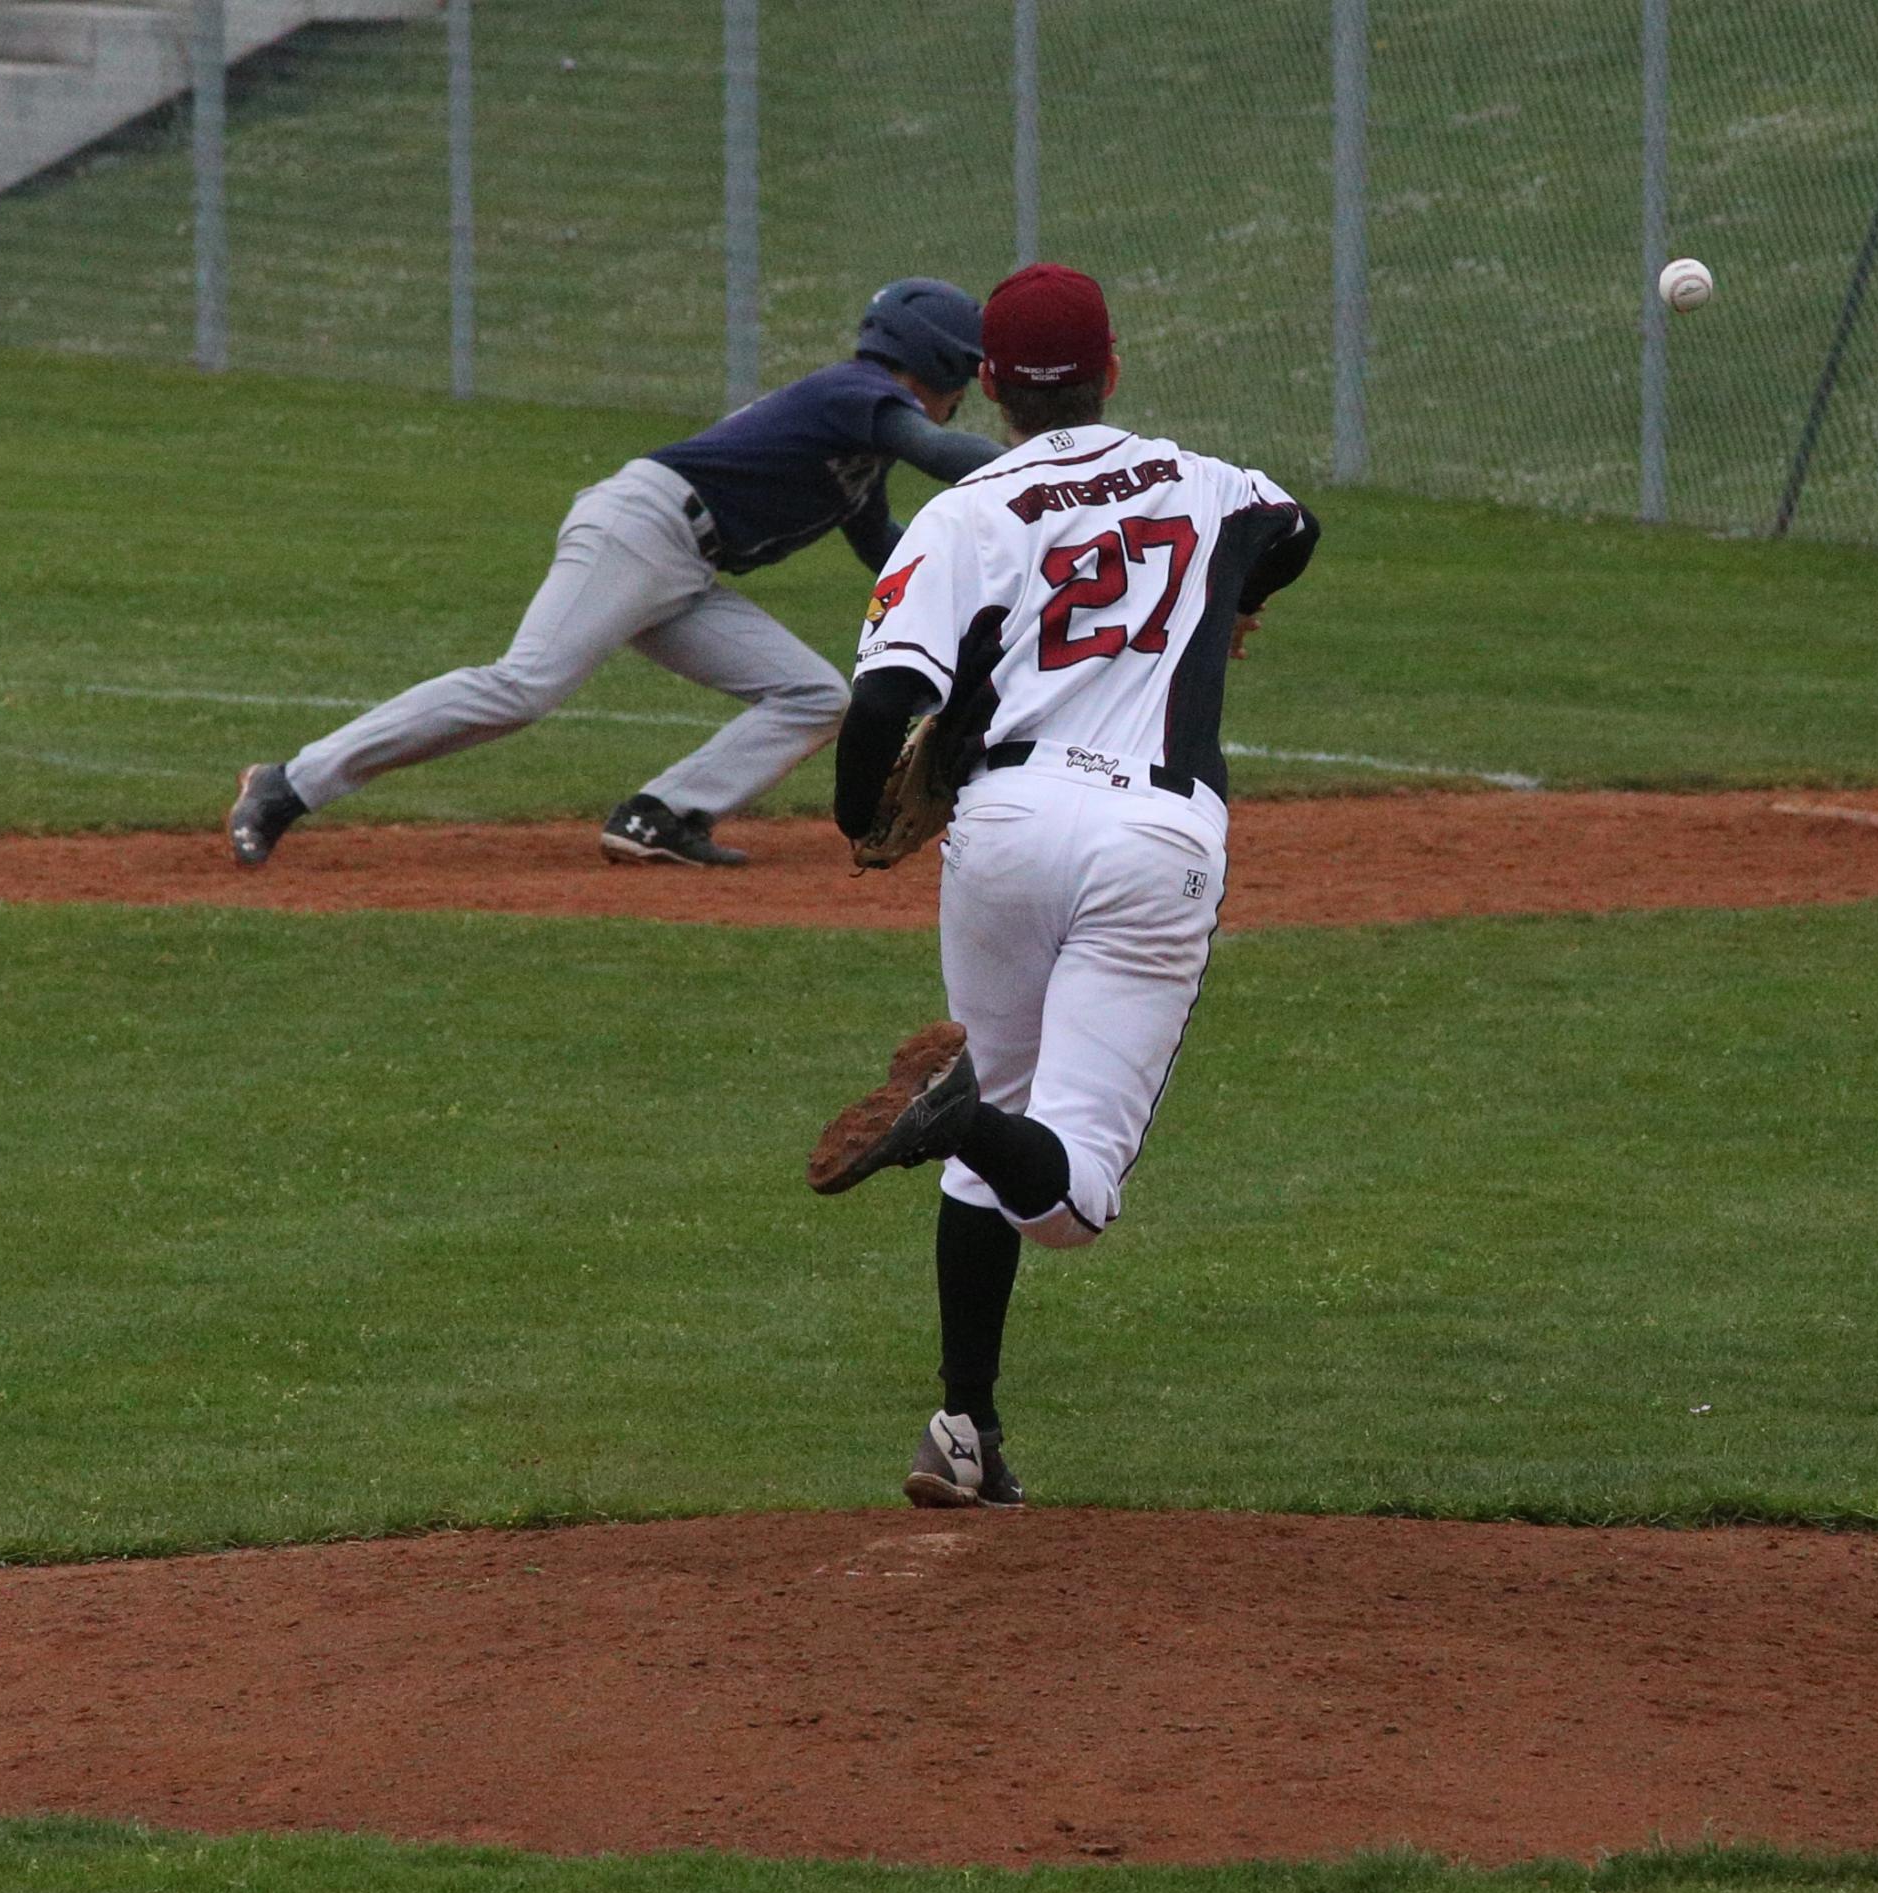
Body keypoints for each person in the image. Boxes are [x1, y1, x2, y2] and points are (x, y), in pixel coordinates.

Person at [800, 263, 1321, 1508]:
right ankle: (953, 1117)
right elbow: (1296, 530)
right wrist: (1225, 596)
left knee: (997, 1094)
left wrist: (859, 822)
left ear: (989, 383)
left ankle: (963, 1425)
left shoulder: (964, 511)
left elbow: (884, 699)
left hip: (1006, 828)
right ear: (1114, 368)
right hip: (1152, 838)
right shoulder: (1207, 481)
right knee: (1070, 1196)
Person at [225, 280, 1007, 869]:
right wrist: (1041, 465)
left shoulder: (862, 446)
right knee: (523, 685)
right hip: (642, 527)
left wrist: (974, 600)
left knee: (812, 695)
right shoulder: (855, 392)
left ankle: (661, 815)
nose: (964, 391)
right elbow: (937, 453)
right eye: (963, 372)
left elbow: (885, 550)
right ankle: (289, 783)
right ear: (935, 359)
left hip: (681, 565)